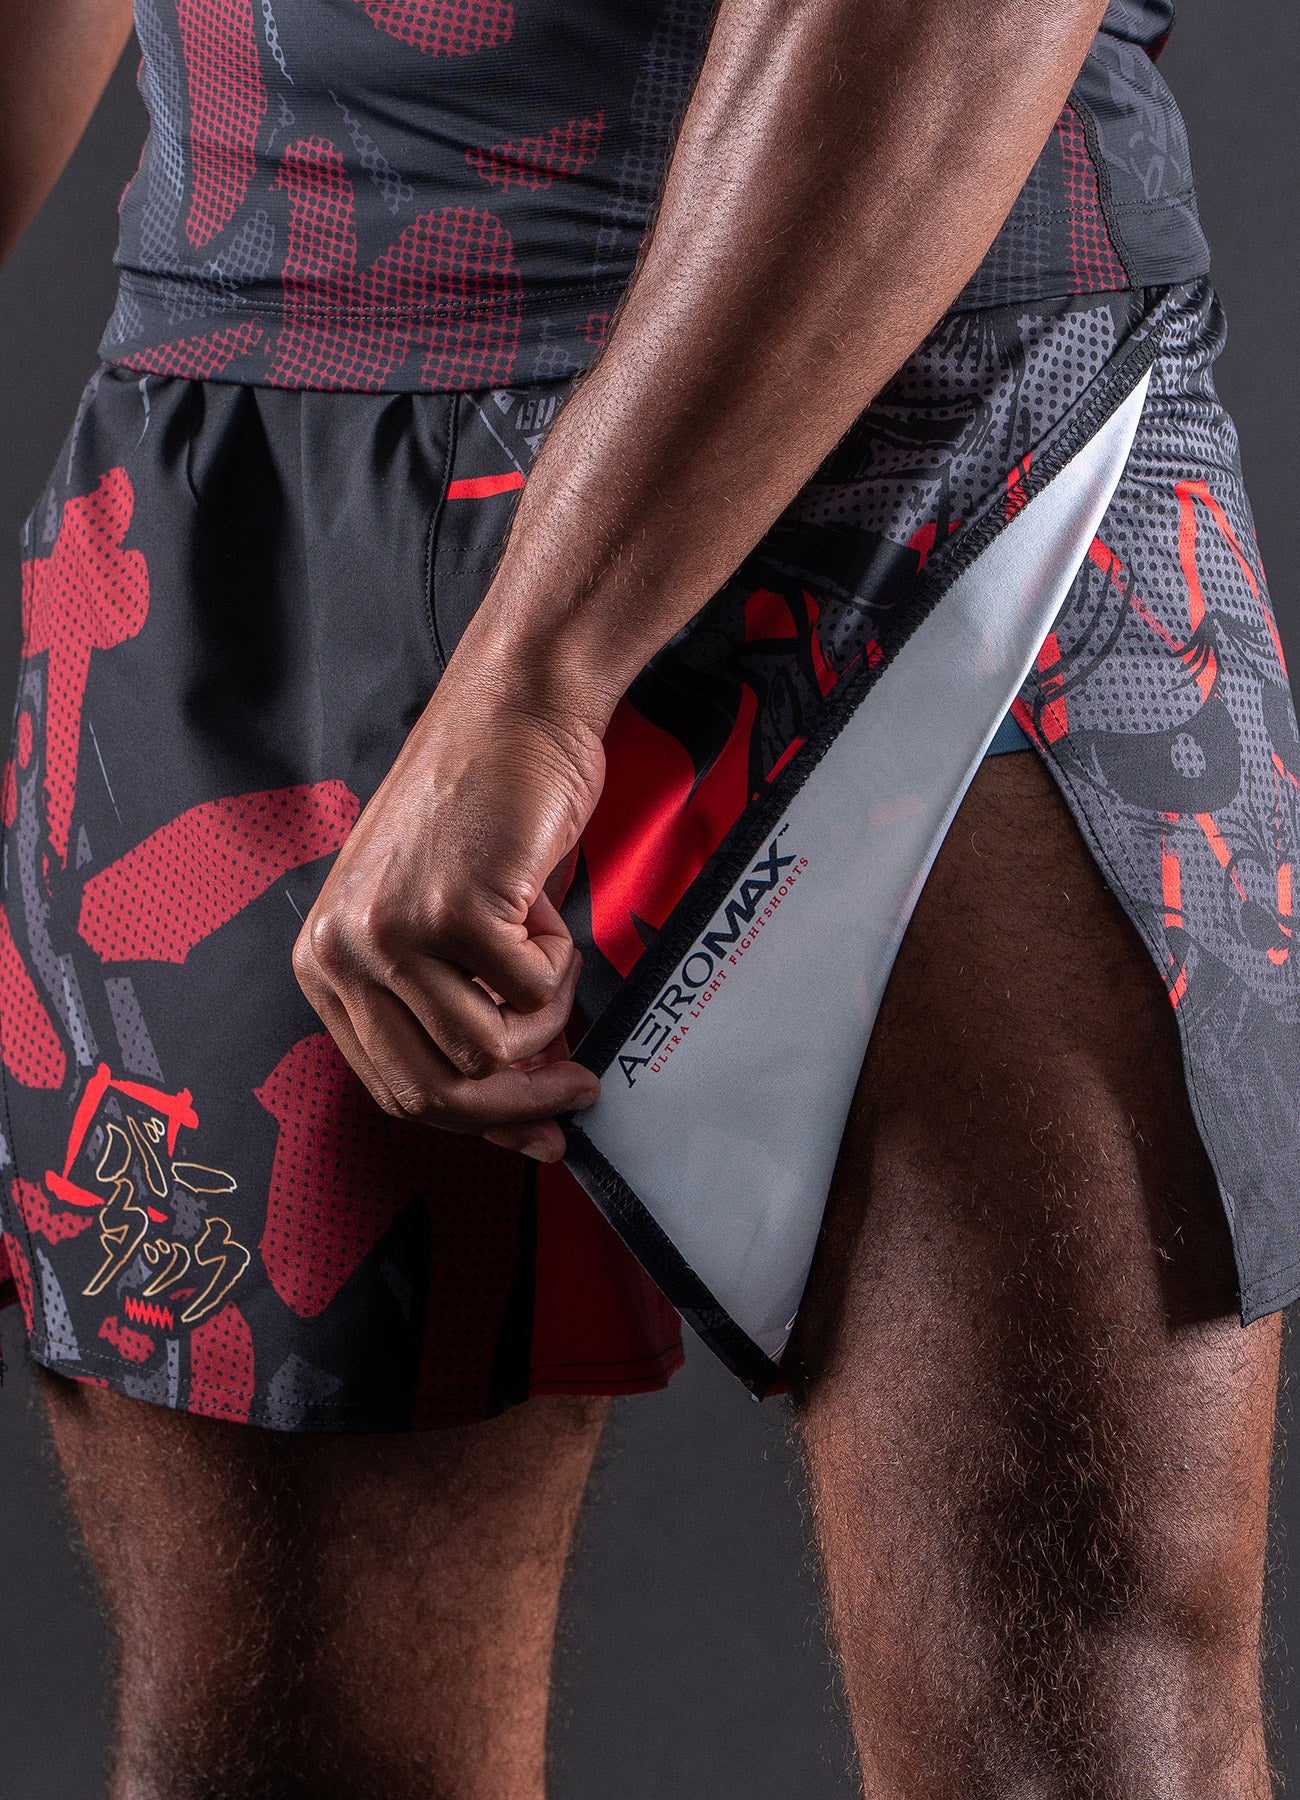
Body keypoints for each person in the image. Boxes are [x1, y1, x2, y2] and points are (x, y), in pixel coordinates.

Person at [0, 0, 1294, 1793]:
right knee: (277, 1757)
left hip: (925, 422)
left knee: (1069, 1747)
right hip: (251, 429)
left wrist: (539, 675)